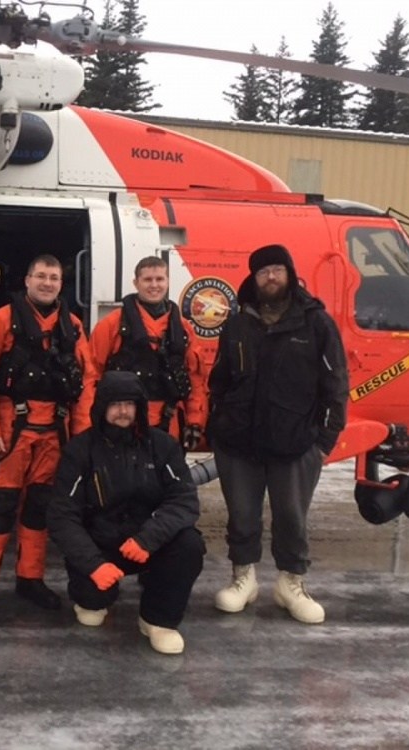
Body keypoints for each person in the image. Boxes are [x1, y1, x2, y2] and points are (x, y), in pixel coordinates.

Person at [208, 244, 348, 624]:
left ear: (289, 273)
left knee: (291, 516)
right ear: (253, 279)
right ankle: (243, 579)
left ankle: (292, 583)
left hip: (295, 443)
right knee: (242, 515)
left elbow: (336, 384)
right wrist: (217, 427)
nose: (271, 277)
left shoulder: (315, 322)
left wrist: (323, 443)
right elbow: (219, 380)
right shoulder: (237, 323)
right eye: (263, 271)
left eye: (277, 269)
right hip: (239, 443)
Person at [0, 254, 98, 617]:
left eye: (53, 277)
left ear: (61, 284)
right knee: (0, 507)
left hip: (54, 433)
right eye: (40, 276)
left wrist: (82, 436)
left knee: (39, 509)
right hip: (12, 431)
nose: (46, 283)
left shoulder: (72, 326)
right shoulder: (1, 321)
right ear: (27, 280)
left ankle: (30, 578)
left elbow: (86, 383)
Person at [47, 371, 205, 655]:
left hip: (146, 544)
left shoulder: (162, 445)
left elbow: (184, 500)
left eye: (130, 404)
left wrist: (149, 539)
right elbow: (62, 515)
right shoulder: (80, 450)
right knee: (92, 610)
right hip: (101, 547)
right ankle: (93, 596)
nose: (123, 411)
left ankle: (158, 619)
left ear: (140, 408)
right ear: (101, 407)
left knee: (189, 544)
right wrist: (93, 564)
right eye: (115, 404)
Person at [89, 256, 208, 452]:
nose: (154, 285)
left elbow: (195, 380)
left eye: (159, 279)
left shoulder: (184, 330)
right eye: (147, 280)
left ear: (168, 281)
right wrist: (92, 422)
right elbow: (92, 374)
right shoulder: (112, 325)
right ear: (136, 283)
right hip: (123, 421)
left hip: (168, 422)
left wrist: (195, 421)